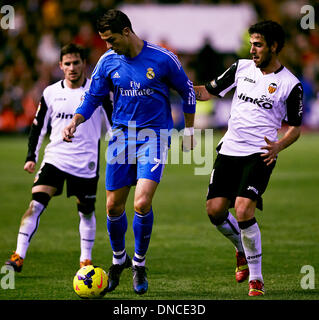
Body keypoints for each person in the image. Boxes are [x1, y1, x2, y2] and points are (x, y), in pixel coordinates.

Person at [62, 9, 196, 295]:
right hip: (121, 137)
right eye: (104, 41)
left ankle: (139, 263)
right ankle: (118, 259)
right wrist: (75, 120)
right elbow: (93, 97)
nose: (108, 46)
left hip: (154, 136)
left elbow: (187, 92)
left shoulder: (162, 58)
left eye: (111, 40)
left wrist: (190, 130)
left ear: (126, 31)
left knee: (142, 203)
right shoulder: (108, 62)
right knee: (113, 207)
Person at [194, 20, 303, 296]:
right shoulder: (241, 68)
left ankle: (257, 279)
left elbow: (296, 127)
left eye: (258, 45)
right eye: (251, 44)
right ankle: (241, 249)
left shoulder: (290, 84)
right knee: (214, 211)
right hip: (229, 149)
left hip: (260, 154)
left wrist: (278, 146)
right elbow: (208, 91)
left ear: (274, 47)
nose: (252, 49)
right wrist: (174, 83)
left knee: (243, 209)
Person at [6, 43, 112, 272]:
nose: (72, 67)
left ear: (84, 64)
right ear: (60, 66)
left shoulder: (98, 91)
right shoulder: (51, 92)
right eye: (67, 63)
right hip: (55, 158)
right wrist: (31, 156)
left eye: (76, 62)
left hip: (86, 162)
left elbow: (113, 123)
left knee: (86, 211)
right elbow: (37, 126)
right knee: (35, 204)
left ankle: (85, 259)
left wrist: (121, 151)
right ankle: (18, 256)